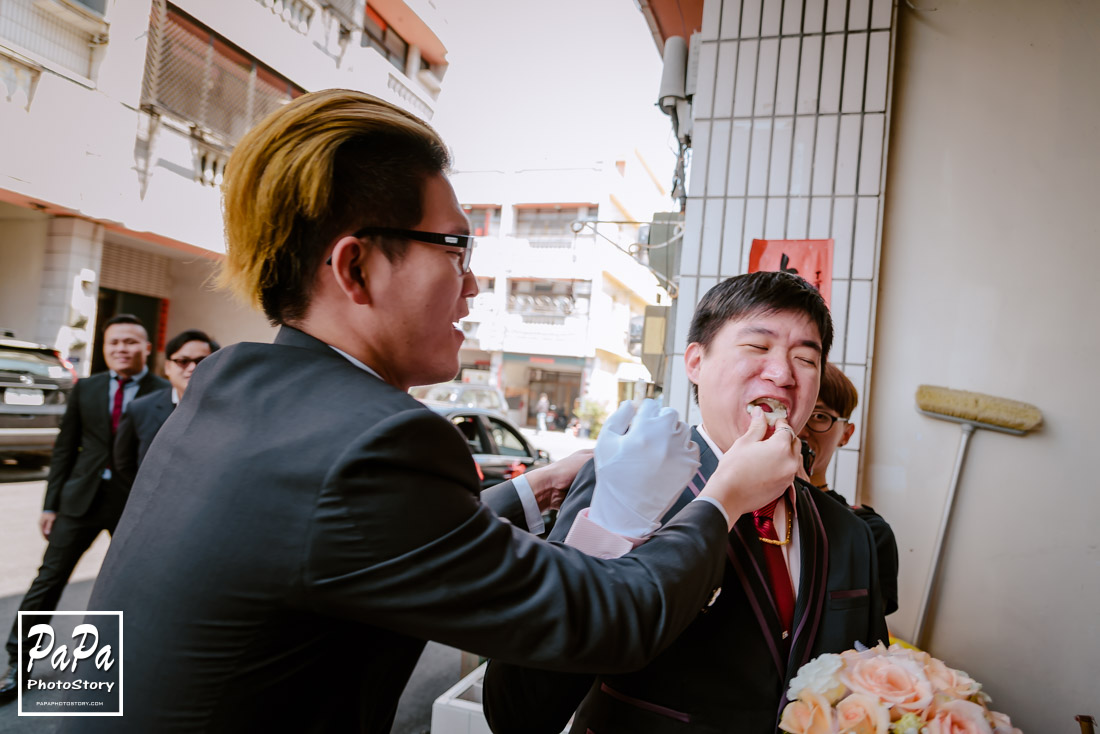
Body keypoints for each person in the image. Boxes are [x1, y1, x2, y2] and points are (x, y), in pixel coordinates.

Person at [65, 90, 802, 733]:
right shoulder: (376, 443)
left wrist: (533, 487)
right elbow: (606, 619)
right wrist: (725, 494)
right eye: (456, 247)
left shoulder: (231, 383)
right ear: (355, 268)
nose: (474, 285)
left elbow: (360, 539)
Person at [483, 272, 890, 734]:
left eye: (805, 358)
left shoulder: (850, 534)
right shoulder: (627, 482)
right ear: (695, 361)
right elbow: (520, 710)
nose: (782, 373)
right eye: (758, 347)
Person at [0, 314, 168, 703]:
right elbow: (64, 448)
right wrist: (51, 503)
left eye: (130, 342)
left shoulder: (164, 391)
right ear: (104, 348)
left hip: (134, 505)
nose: (121, 349)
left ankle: (136, 666)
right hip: (80, 500)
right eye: (114, 343)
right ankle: (17, 664)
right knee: (48, 580)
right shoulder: (87, 388)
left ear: (146, 347)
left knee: (141, 587)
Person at [799, 362, 899, 616]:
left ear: (846, 434)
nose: (801, 429)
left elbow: (858, 628)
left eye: (819, 416)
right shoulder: (740, 509)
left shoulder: (867, 532)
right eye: (793, 411)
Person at [114, 329, 220, 486]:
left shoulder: (230, 409)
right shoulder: (139, 409)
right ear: (168, 367)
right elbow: (124, 464)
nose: (192, 368)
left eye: (201, 361)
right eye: (183, 361)